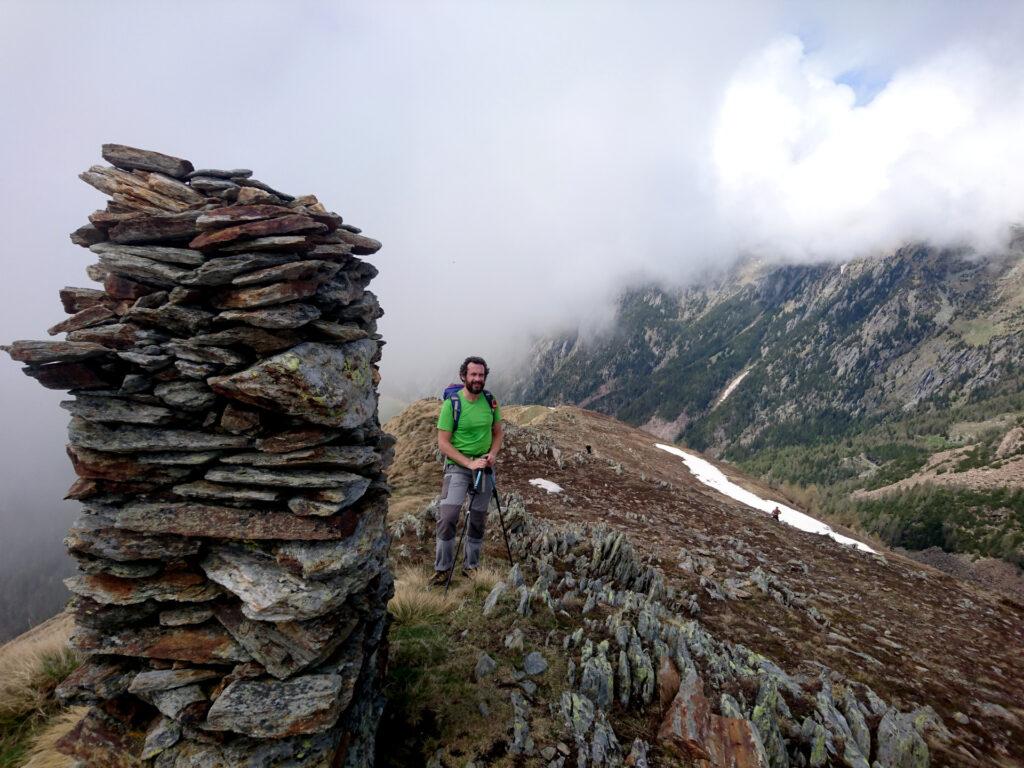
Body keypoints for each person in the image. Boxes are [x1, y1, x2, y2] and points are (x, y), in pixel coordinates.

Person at [432, 356, 504, 584]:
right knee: (448, 517)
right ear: (463, 376)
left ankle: (470, 567)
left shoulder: (490, 402)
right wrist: (468, 463)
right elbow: (443, 443)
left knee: (478, 519)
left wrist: (492, 454)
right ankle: (442, 569)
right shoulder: (451, 404)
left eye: (481, 375)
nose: (477, 379)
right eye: (473, 374)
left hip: (484, 467)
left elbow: (498, 432)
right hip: (458, 467)